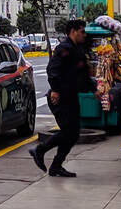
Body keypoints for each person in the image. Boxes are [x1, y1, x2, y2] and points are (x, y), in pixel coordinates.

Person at [30, 19, 93, 178]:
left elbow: (83, 75)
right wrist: (55, 91)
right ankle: (40, 150)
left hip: (71, 96)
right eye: (82, 31)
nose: (84, 35)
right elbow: (52, 69)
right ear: (73, 31)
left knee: (73, 133)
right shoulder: (64, 49)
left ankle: (56, 165)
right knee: (68, 132)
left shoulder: (77, 49)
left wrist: (95, 90)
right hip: (61, 97)